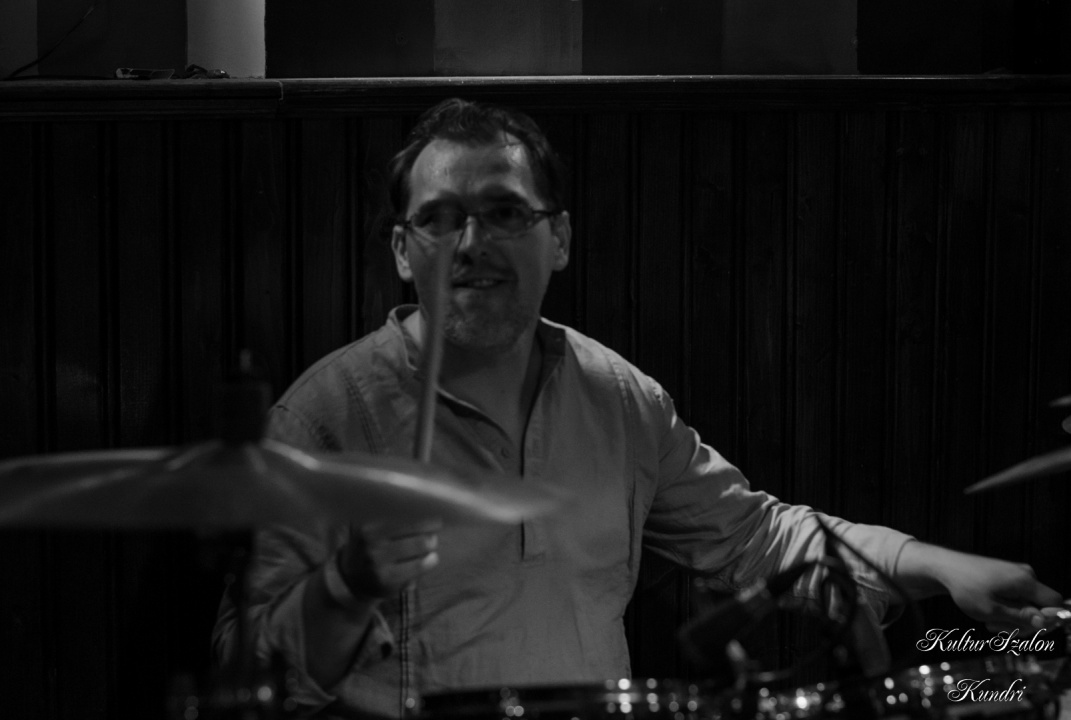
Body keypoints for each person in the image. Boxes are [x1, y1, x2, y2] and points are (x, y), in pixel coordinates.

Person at [214, 98, 1063, 719]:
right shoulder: (324, 418)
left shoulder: (617, 397)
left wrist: (937, 565)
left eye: (504, 212)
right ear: (405, 251)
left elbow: (755, 538)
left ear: (558, 239)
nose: (471, 243)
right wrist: (344, 585)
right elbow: (246, 666)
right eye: (440, 221)